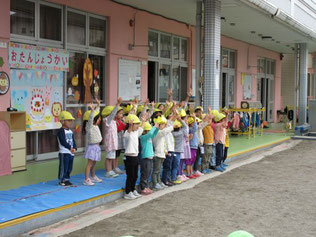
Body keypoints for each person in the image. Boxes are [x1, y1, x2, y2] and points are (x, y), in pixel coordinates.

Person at [123, 114, 146, 200]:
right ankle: (128, 192)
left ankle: (132, 190)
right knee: (130, 175)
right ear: (131, 125)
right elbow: (128, 132)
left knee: (135, 175)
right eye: (136, 124)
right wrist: (130, 125)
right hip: (129, 157)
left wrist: (143, 121)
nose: (138, 126)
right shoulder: (127, 133)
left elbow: (141, 128)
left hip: (135, 156)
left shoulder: (136, 133)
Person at [82, 99, 103, 186]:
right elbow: (91, 118)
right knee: (90, 163)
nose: (99, 120)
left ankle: (93, 176)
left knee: (94, 163)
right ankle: (86, 179)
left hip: (97, 147)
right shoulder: (89, 126)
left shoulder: (95, 125)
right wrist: (92, 111)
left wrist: (98, 105)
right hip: (92, 147)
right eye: (98, 119)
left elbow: (96, 113)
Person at [152, 115, 175, 189]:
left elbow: (163, 144)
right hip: (157, 154)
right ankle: (155, 183)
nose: (164, 126)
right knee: (156, 170)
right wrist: (172, 127)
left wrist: (165, 151)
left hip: (161, 154)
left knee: (159, 170)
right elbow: (164, 132)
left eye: (164, 124)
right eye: (162, 124)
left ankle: (159, 182)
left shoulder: (160, 132)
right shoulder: (157, 132)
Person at [102, 97, 123, 178]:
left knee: (111, 157)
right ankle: (108, 171)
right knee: (108, 158)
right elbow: (113, 114)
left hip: (113, 143)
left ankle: (110, 170)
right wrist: (117, 104)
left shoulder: (113, 121)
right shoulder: (108, 120)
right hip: (110, 143)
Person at [56, 111, 77, 186]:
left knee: (69, 167)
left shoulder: (70, 131)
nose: (71, 122)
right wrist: (70, 147)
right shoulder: (61, 131)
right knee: (63, 167)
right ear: (62, 121)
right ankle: (62, 180)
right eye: (68, 120)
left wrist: (74, 147)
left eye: (71, 120)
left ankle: (66, 179)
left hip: (71, 152)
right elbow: (62, 141)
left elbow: (73, 140)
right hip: (64, 152)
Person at [139, 121, 159, 194]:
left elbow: (154, 134)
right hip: (145, 158)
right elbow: (151, 133)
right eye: (148, 130)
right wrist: (154, 127)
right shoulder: (143, 137)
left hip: (150, 157)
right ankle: (143, 187)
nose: (149, 131)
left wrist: (157, 128)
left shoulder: (149, 136)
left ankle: (146, 186)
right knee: (145, 173)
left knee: (148, 173)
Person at [171, 113, 188, 184]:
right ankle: (174, 178)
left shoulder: (171, 133)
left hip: (172, 151)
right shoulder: (181, 133)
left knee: (171, 166)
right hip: (177, 152)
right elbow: (185, 127)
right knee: (175, 166)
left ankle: (171, 178)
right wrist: (180, 120)